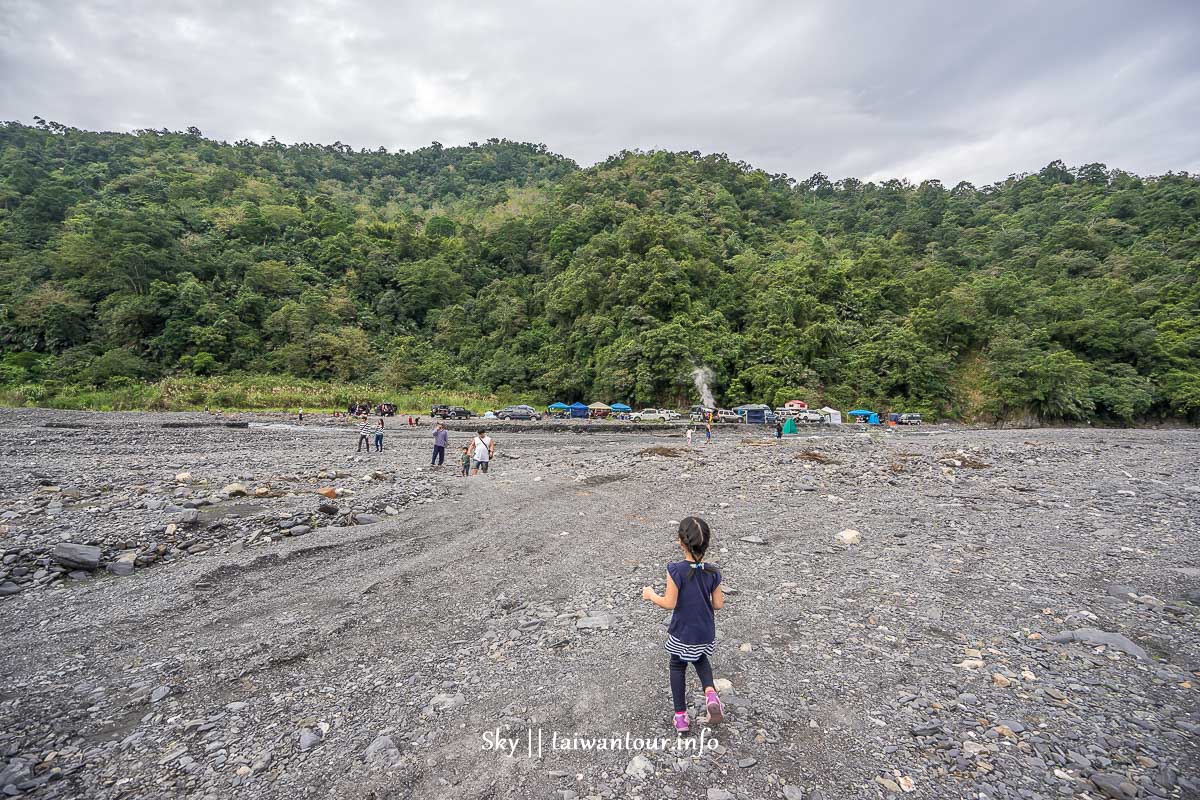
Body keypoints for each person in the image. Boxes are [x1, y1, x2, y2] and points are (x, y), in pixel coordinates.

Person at [642, 517, 725, 733]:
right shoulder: (713, 571)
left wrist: (651, 595)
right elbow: (718, 604)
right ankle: (711, 694)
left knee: (677, 666)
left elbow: (669, 603)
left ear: (681, 541)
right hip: (705, 631)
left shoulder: (676, 570)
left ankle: (681, 718)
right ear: (706, 543)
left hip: (683, 632)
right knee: (700, 659)